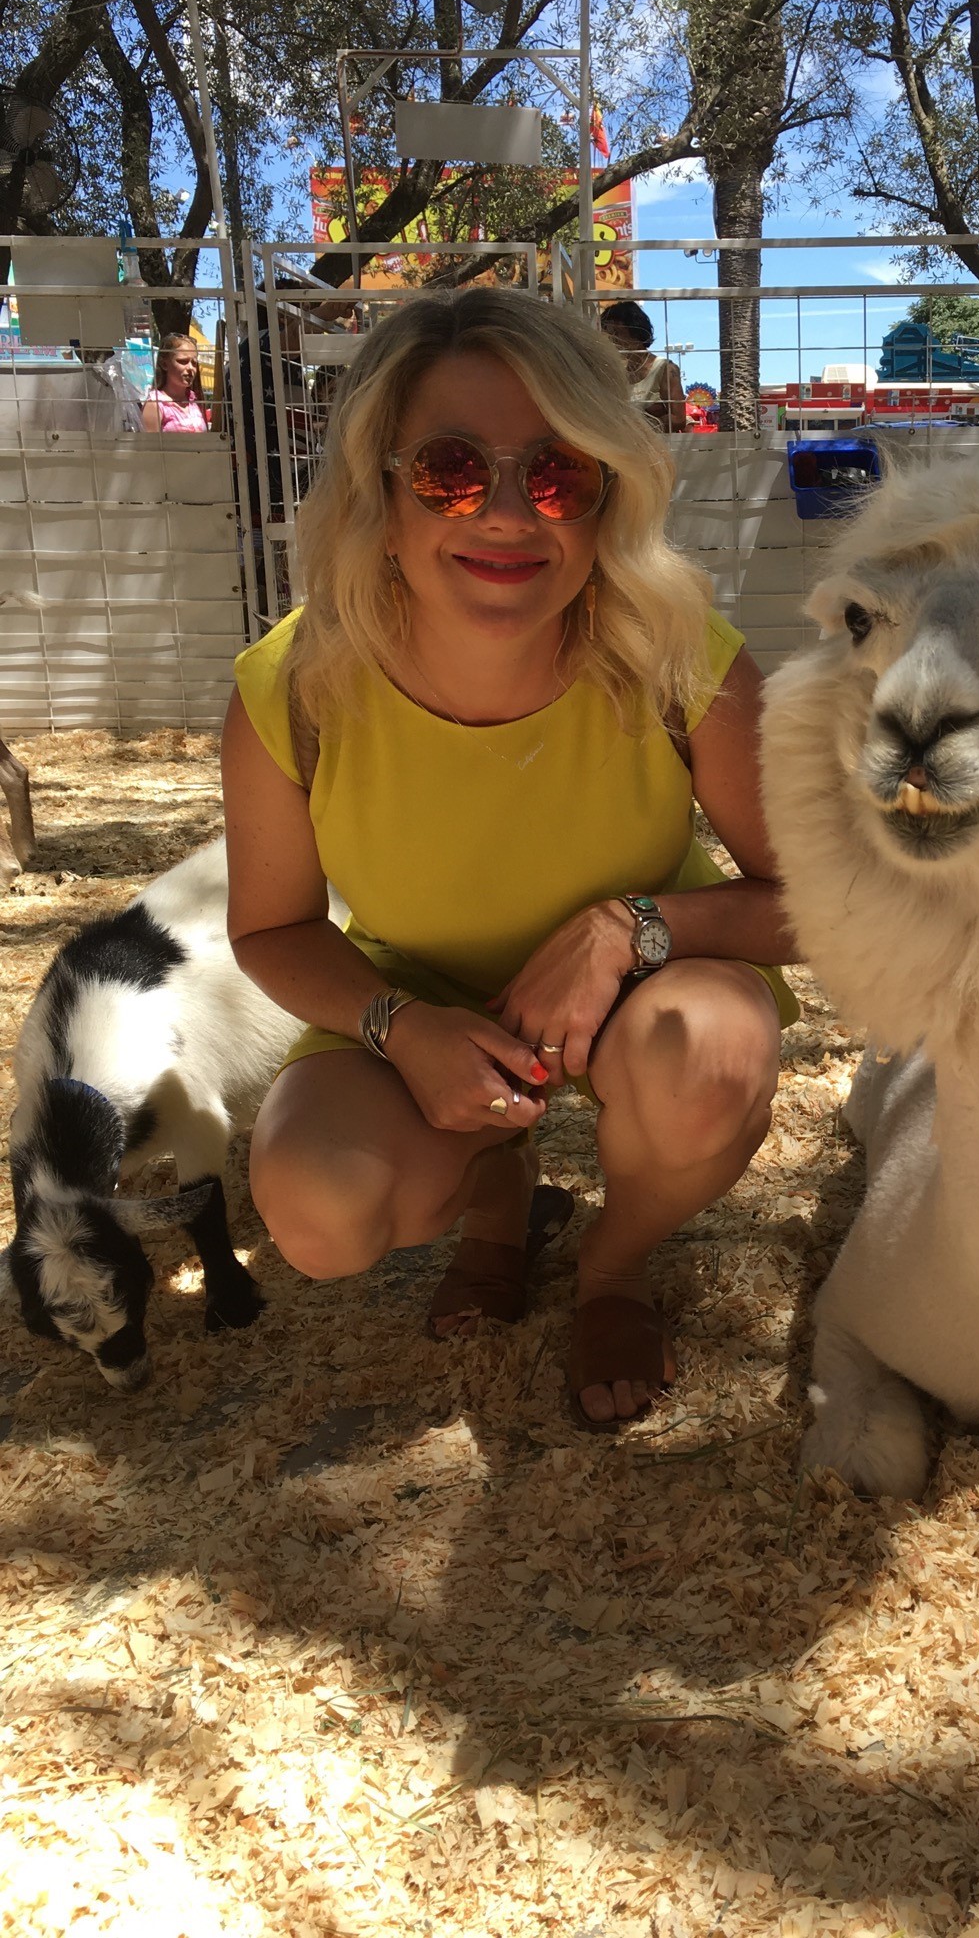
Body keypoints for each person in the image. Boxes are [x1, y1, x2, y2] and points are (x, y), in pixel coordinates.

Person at [221, 287, 797, 1428]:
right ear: (380, 493)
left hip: (651, 988)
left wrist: (634, 928)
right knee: (316, 1211)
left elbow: (834, 902)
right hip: (414, 1001)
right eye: (448, 469)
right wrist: (404, 1027)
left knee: (711, 1055)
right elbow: (270, 931)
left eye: (557, 474)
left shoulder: (683, 662)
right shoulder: (291, 689)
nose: (504, 515)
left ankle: (613, 1266)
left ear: (604, 500)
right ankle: (497, 1200)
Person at [599, 300, 687, 434]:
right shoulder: (615, 373)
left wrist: (639, 426)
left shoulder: (665, 369)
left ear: (634, 330)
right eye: (608, 334)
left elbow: (679, 419)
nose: (612, 340)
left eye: (616, 332)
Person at [142, 333, 210, 432]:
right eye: (183, 361)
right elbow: (149, 446)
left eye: (194, 363)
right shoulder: (156, 404)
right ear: (164, 364)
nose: (190, 368)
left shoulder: (193, 400)